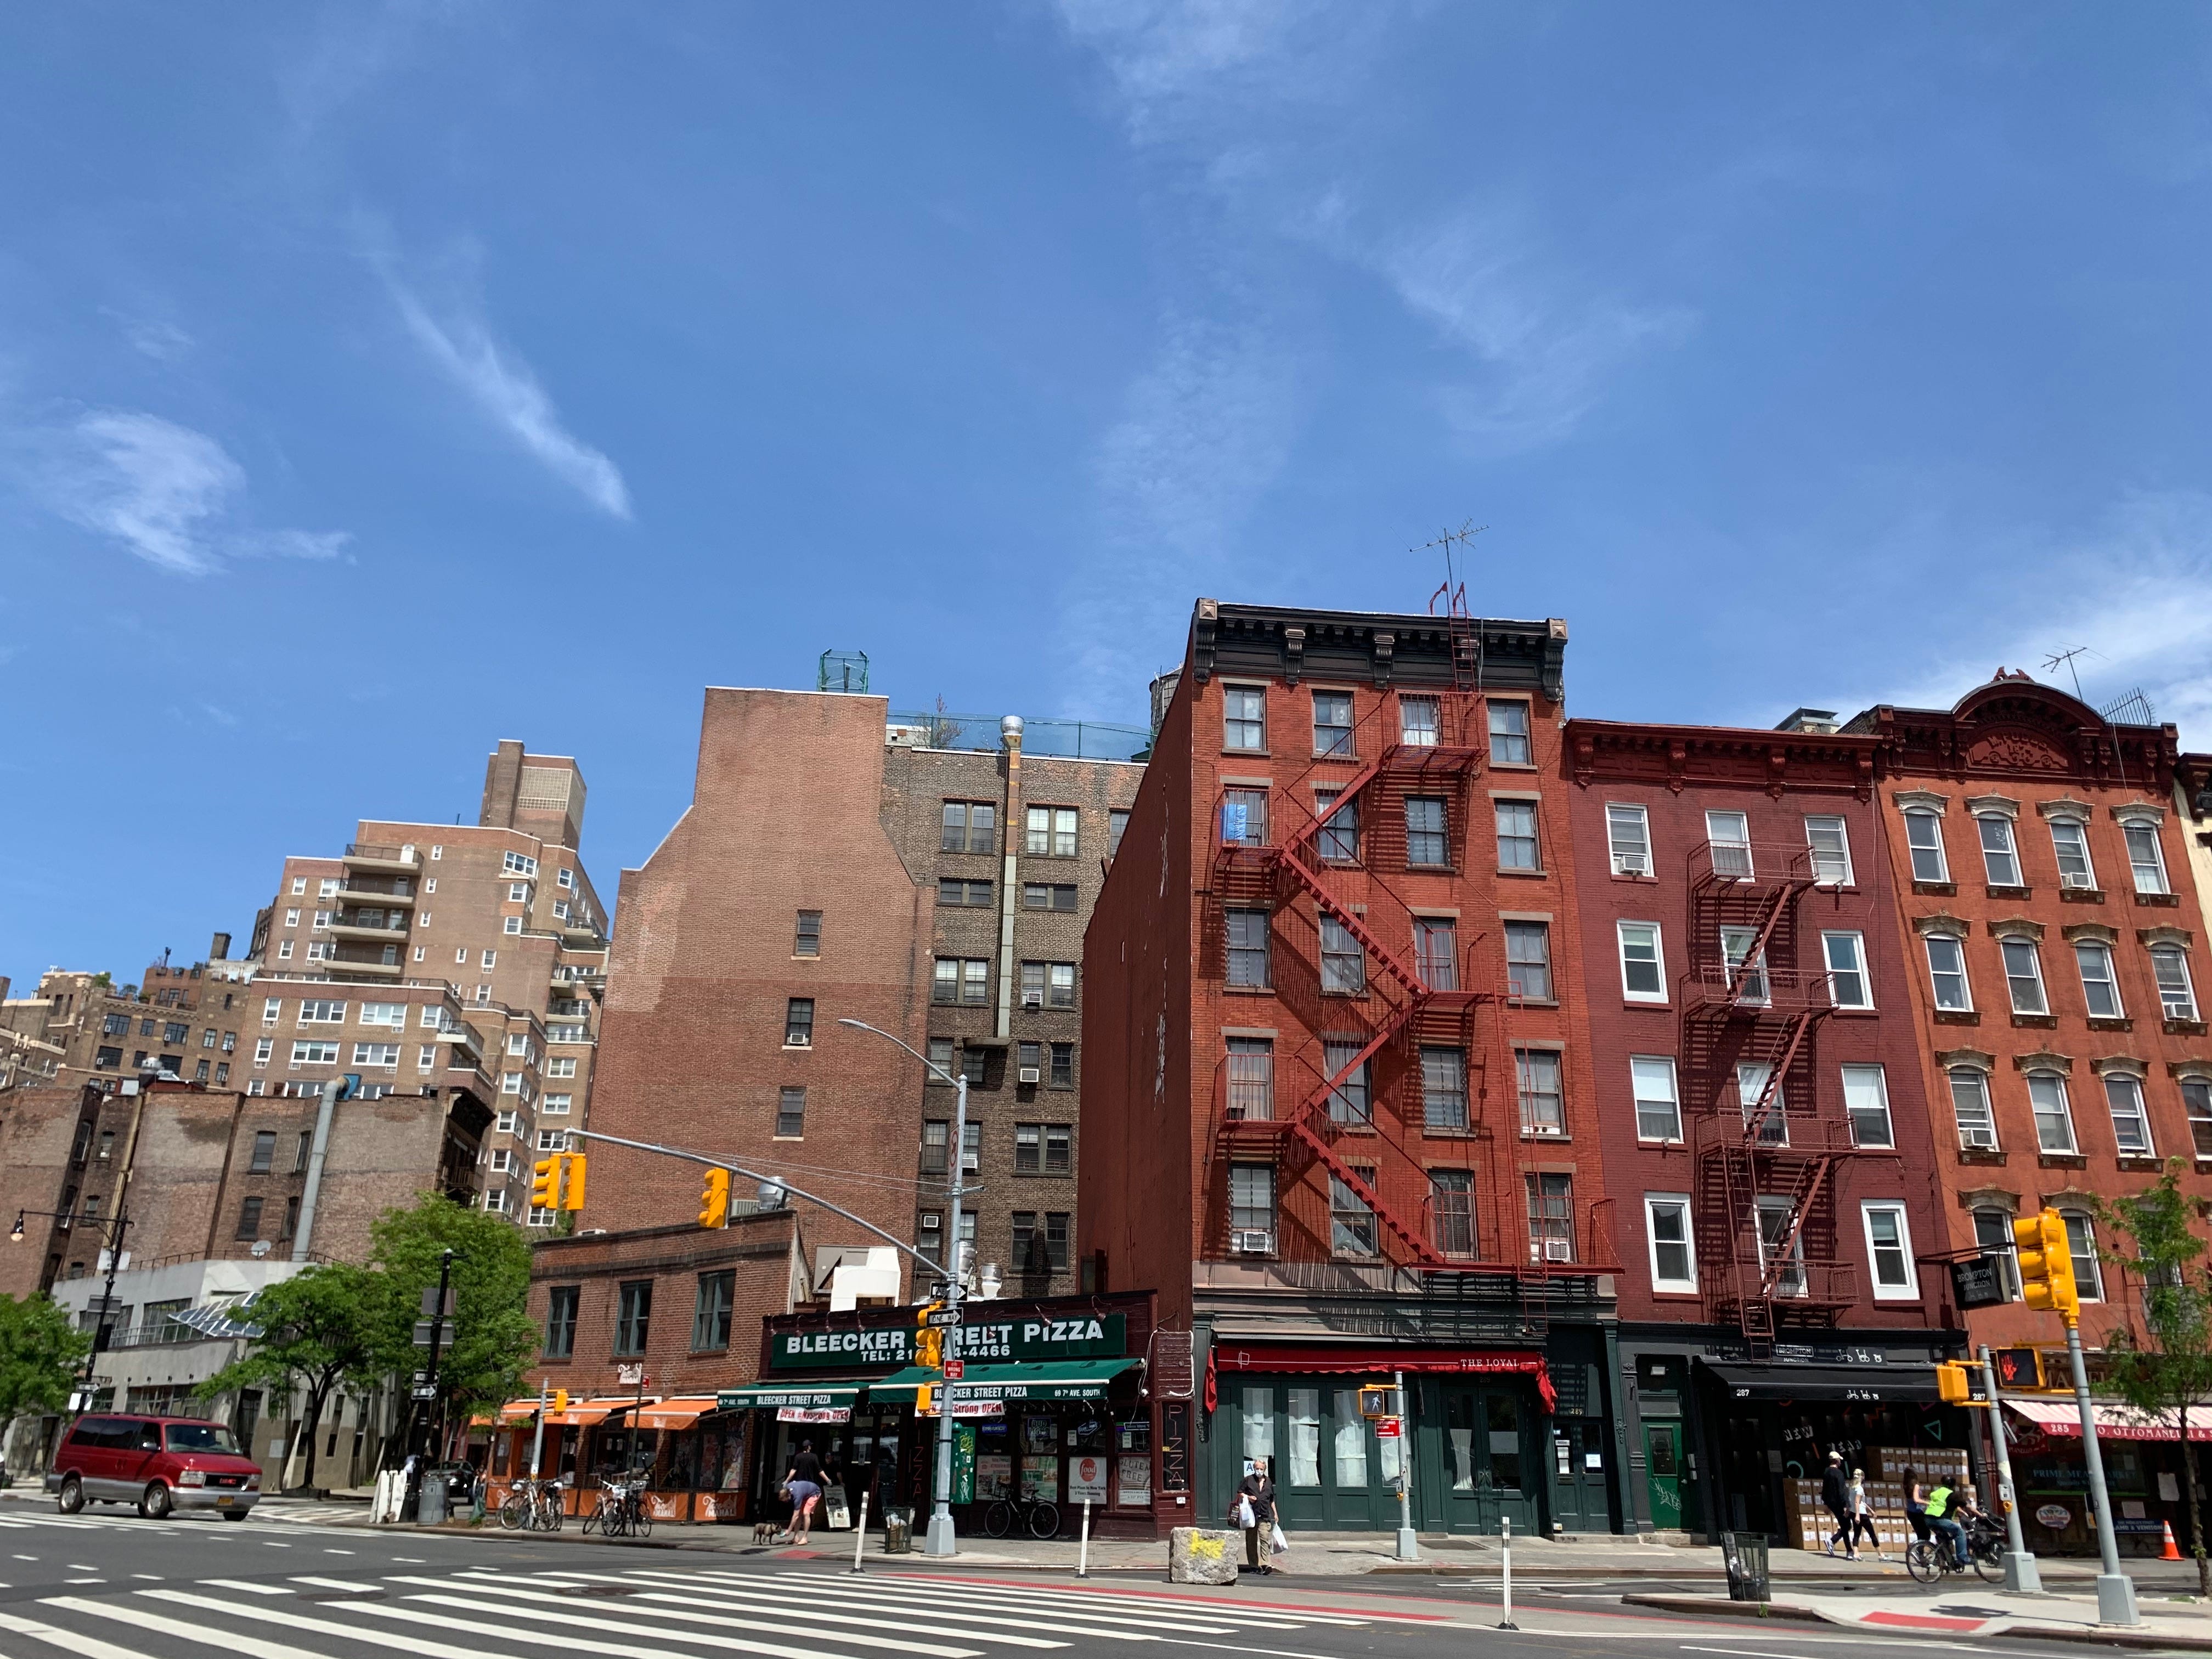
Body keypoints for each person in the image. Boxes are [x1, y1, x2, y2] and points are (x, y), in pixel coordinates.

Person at [1234, 1457, 1278, 1576]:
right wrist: (1248, 1497)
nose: (1259, 1470)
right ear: (1254, 1469)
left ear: (1265, 1469)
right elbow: (1239, 1492)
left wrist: (1275, 1513)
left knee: (1265, 1540)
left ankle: (1265, 1564)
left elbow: (1271, 1499)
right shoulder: (1248, 1480)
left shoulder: (1268, 1482)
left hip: (1264, 1515)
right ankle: (1254, 1565)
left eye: (1261, 1469)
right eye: (1257, 1468)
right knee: (1252, 1541)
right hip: (1251, 1516)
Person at [781, 1439, 825, 1545]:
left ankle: (804, 1538)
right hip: (807, 1486)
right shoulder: (814, 1457)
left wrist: (787, 1481)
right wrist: (827, 1479)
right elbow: (819, 1470)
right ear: (809, 1447)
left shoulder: (798, 1457)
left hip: (812, 1491)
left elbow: (793, 1470)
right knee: (801, 1514)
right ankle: (796, 1538)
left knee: (805, 1513)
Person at [1923, 1476, 1966, 1569]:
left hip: (1928, 1519)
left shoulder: (1936, 1492)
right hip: (1940, 1519)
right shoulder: (1953, 1494)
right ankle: (1962, 1559)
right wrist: (1980, 1514)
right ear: (1953, 1485)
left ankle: (1944, 1559)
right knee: (1960, 1532)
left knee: (1945, 1539)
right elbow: (1966, 1505)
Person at [1821, 1450, 1855, 1559]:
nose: (1841, 1462)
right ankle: (1833, 1542)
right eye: (1839, 1460)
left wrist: (1826, 1503)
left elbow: (1825, 1489)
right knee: (1847, 1526)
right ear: (1836, 1461)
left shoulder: (1826, 1472)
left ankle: (1848, 1550)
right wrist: (1847, 1505)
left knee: (1845, 1525)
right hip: (1840, 1503)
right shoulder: (1839, 1474)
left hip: (1831, 1503)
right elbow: (1842, 1490)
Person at [1847, 1466, 1881, 1558]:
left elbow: (1861, 1502)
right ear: (1861, 1477)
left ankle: (1856, 1553)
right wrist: (1858, 1516)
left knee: (1857, 1534)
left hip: (1854, 1513)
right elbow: (1857, 1502)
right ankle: (1880, 1555)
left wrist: (1871, 1511)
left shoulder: (1852, 1488)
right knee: (1872, 1534)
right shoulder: (1860, 1489)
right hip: (1861, 1514)